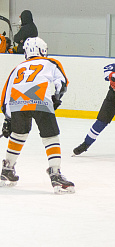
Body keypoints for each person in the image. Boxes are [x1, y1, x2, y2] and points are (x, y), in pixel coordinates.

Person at [0, 37, 74, 194]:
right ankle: (55, 173)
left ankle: (7, 169)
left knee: (18, 134)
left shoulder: (17, 67)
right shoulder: (51, 63)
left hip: (17, 102)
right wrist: (56, 99)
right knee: (50, 136)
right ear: (42, 50)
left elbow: (5, 94)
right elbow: (62, 83)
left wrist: (8, 119)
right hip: (40, 98)